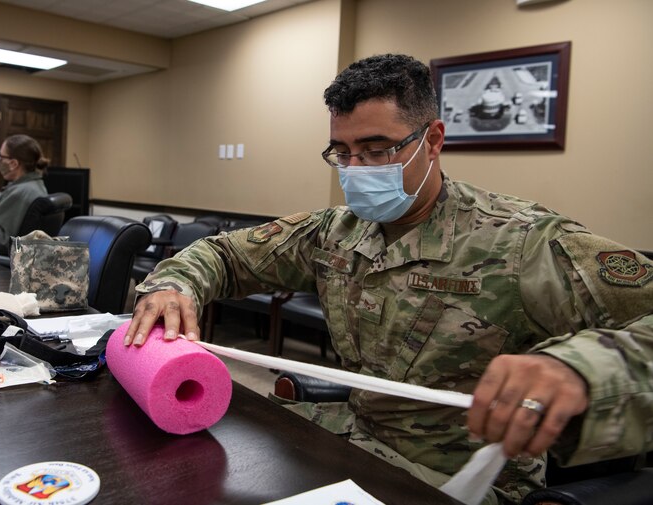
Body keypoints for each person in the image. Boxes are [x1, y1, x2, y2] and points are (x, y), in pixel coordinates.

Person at [124, 54, 653, 503]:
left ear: (433, 140)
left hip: (458, 478)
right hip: (349, 442)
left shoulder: (522, 242)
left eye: (378, 149)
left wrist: (581, 368)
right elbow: (225, 255)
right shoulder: (337, 230)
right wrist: (175, 285)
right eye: (343, 153)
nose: (357, 168)